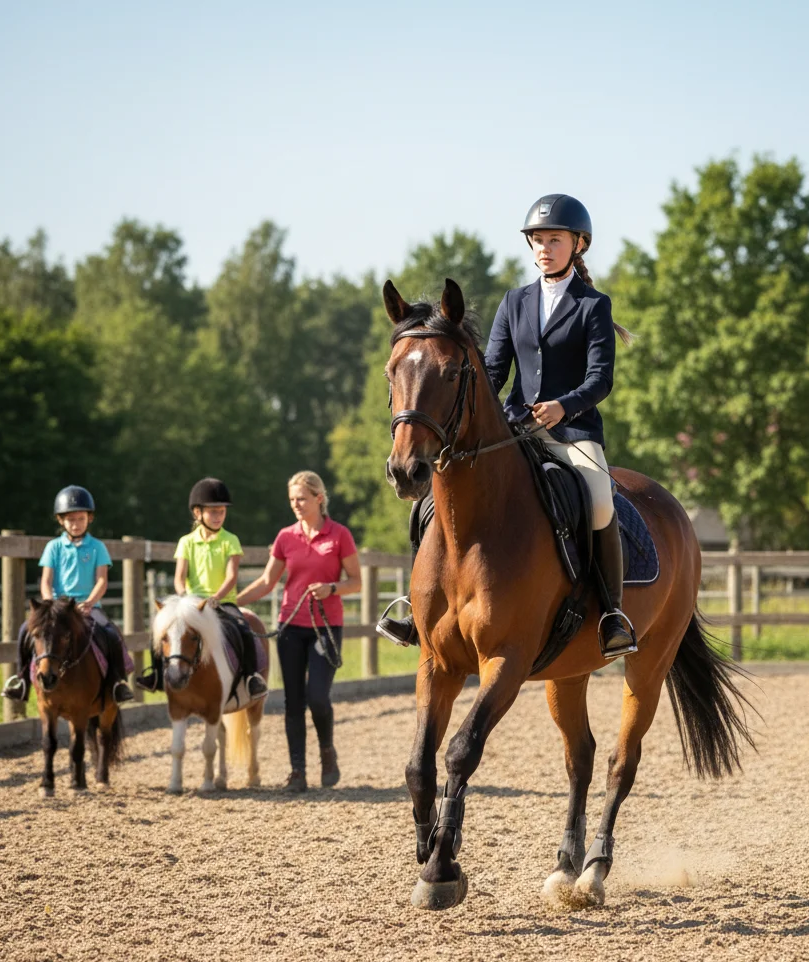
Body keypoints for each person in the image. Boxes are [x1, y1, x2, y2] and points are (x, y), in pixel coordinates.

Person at [377, 193, 637, 660]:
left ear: (578, 245)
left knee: (599, 499)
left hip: (571, 432)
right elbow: (492, 371)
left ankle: (612, 614)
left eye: (554, 239)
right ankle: (417, 608)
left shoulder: (593, 305)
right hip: (512, 429)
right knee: (431, 500)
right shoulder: (514, 301)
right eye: (537, 239)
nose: (544, 247)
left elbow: (601, 379)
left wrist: (564, 406)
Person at [237, 471, 360, 793]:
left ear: (319, 498)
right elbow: (267, 582)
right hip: (291, 627)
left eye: (301, 499)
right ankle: (297, 772)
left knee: (318, 698)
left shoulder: (339, 535)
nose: (296, 505)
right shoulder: (285, 537)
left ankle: (327, 751)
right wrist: (230, 602)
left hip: (326, 627)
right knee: (293, 702)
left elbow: (356, 581)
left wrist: (332, 588)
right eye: (292, 500)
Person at [1, 486, 133, 705]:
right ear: (61, 521)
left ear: (89, 518)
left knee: (111, 633)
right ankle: (22, 680)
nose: (76, 523)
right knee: (25, 630)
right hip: (57, 607)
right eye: (70, 519)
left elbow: (102, 580)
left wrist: (89, 602)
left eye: (80, 518)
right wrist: (50, 604)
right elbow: (46, 581)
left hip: (87, 606)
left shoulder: (97, 547)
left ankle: (118, 682)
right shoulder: (53, 547)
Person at [137, 478, 267, 701]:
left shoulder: (230, 540)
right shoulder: (186, 542)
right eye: (213, 512)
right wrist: (184, 598)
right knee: (161, 630)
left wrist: (216, 598)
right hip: (192, 604)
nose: (218, 517)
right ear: (198, 513)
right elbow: (179, 578)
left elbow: (231, 576)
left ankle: (251, 677)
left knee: (243, 628)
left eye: (222, 512)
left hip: (223, 603)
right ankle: (157, 675)